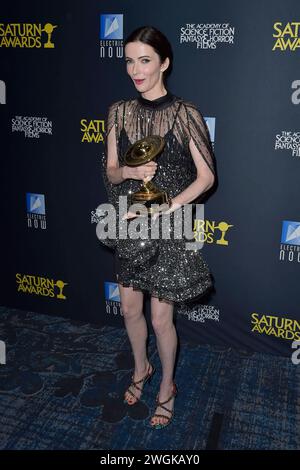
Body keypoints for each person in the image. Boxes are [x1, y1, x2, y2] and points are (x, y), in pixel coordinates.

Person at [99, 26, 216, 429]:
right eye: (129, 60)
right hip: (131, 222)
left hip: (168, 228)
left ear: (164, 63)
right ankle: (140, 368)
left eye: (145, 60)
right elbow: (112, 174)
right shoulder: (118, 111)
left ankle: (166, 386)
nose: (136, 69)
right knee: (130, 309)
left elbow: (206, 178)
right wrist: (129, 170)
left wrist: (170, 208)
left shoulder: (186, 114)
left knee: (162, 319)